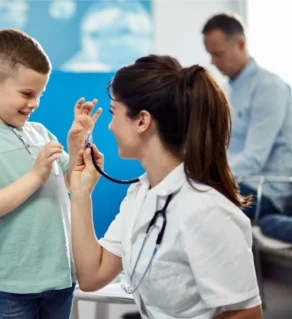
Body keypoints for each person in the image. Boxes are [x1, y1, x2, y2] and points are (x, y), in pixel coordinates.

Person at [69, 55, 262, 318]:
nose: (111, 126)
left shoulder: (207, 211)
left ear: (142, 121)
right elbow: (92, 276)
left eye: (114, 113)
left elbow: (247, 313)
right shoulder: (140, 195)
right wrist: (81, 192)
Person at [0, 29, 101, 318]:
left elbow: (72, 184)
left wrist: (76, 143)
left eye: (39, 95)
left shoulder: (40, 133)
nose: (34, 103)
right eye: (26, 93)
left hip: (60, 278)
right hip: (14, 286)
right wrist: (35, 176)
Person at [203, 13, 292, 220]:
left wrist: (209, 176)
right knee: (182, 198)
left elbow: (254, 158)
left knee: (198, 208)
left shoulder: (269, 88)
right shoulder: (227, 90)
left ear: (241, 44)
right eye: (210, 54)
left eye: (218, 54)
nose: (213, 62)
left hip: (265, 191)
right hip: (237, 182)